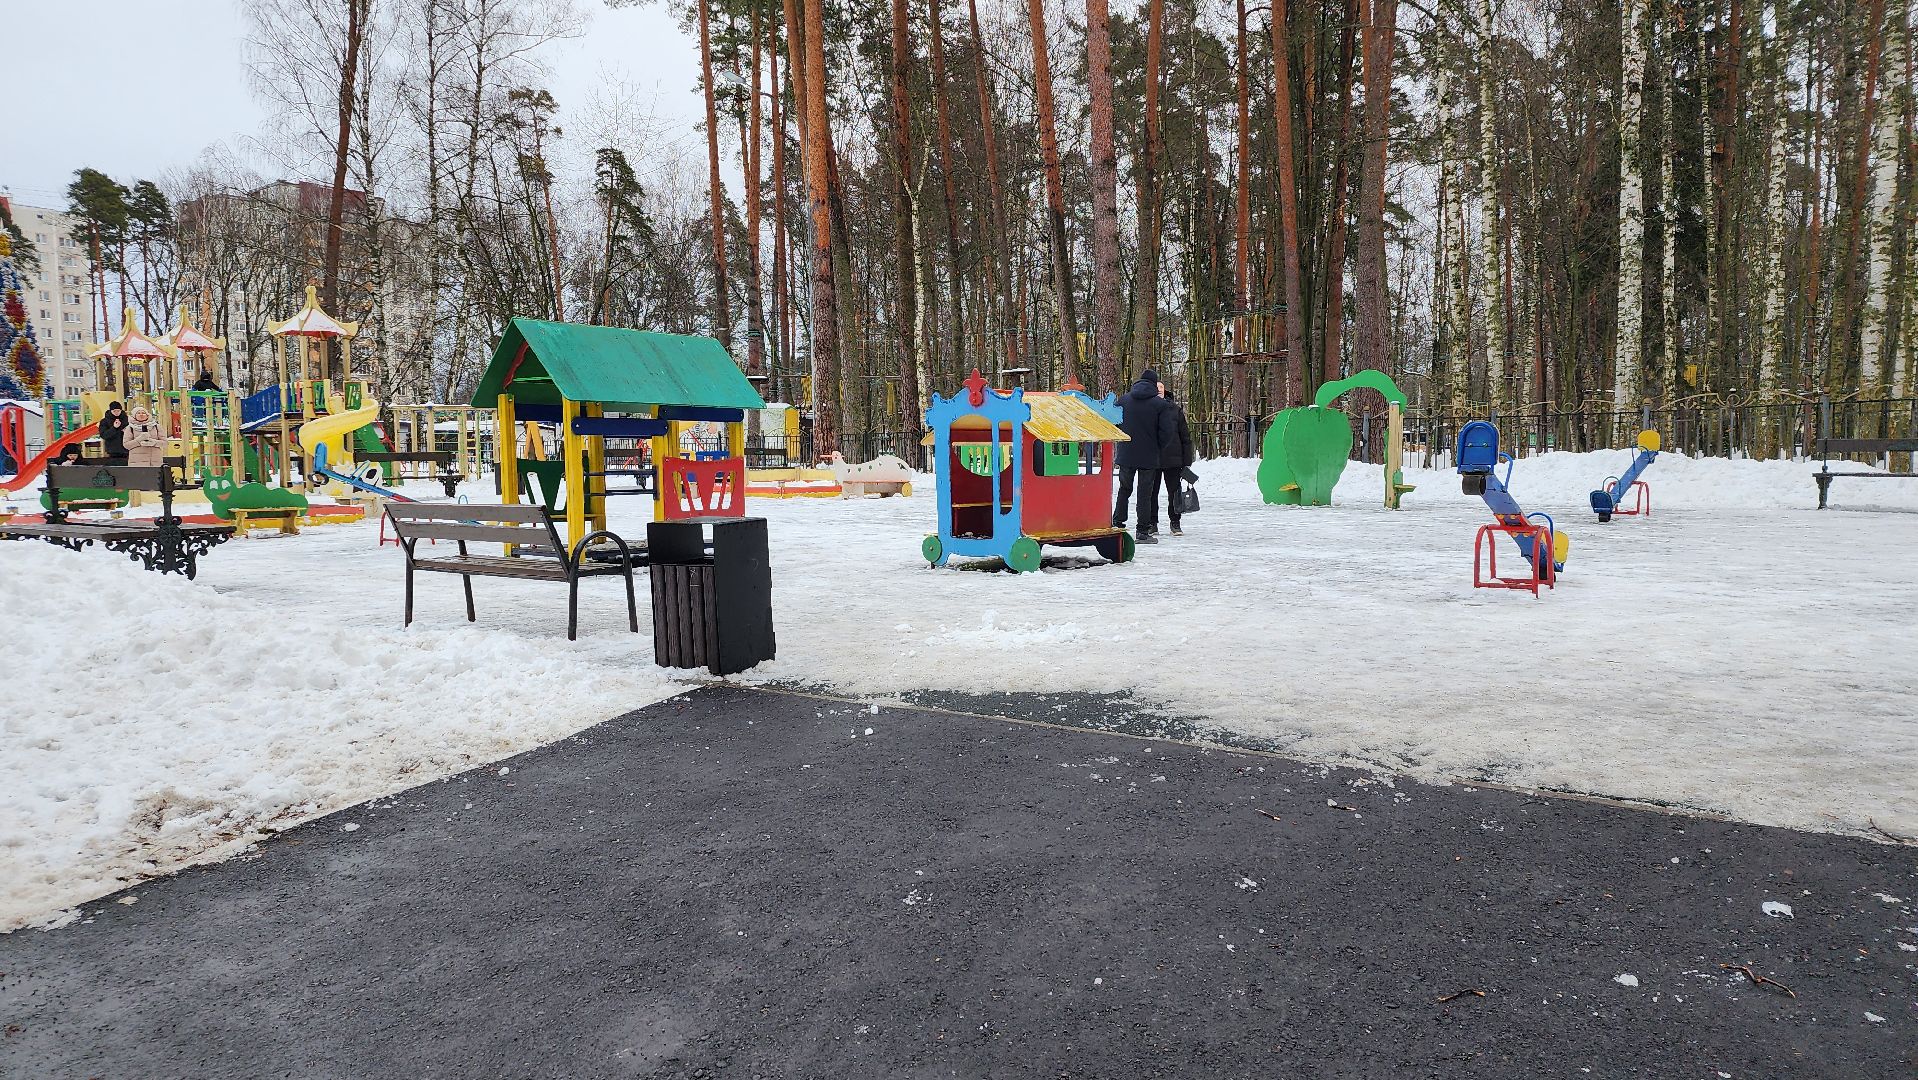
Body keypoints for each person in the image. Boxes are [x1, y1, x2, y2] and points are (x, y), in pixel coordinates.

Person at [1112, 367, 1176, 543]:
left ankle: (1117, 522)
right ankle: (1142, 532)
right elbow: (1167, 432)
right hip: (1149, 456)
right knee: (1145, 493)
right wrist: (1158, 447)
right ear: (1154, 384)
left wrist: (1123, 439)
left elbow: (1114, 423)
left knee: (1124, 489)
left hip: (1126, 453)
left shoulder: (1123, 400)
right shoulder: (1160, 405)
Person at [1159, 385, 1198, 536]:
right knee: (1150, 493)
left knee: (1174, 492)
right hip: (1153, 458)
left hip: (1173, 459)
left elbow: (1185, 437)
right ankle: (1151, 523)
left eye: (1161, 387)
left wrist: (1186, 460)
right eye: (1155, 387)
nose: (1158, 389)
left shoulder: (1175, 410)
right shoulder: (1147, 409)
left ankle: (1175, 522)